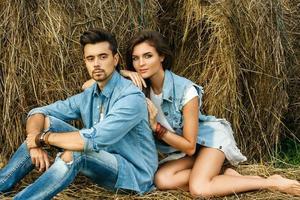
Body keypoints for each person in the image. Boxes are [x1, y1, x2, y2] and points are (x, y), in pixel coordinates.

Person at [85, 30, 300, 198]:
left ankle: (272, 182)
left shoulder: (186, 91)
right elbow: (88, 87)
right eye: (135, 58)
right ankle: (222, 176)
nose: (141, 63)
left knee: (199, 189)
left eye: (148, 56)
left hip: (207, 141)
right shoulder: (138, 87)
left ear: (161, 57)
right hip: (187, 151)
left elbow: (189, 145)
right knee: (162, 180)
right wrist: (121, 73)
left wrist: (156, 128)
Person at [0, 29, 158, 199]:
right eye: (91, 58)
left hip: (133, 174)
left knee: (77, 152)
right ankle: (2, 183)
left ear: (116, 59)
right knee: (46, 121)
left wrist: (42, 138)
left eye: (102, 57)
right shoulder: (88, 95)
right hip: (102, 157)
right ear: (85, 61)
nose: (96, 63)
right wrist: (33, 142)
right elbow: (38, 112)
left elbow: (91, 140)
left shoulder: (130, 98)